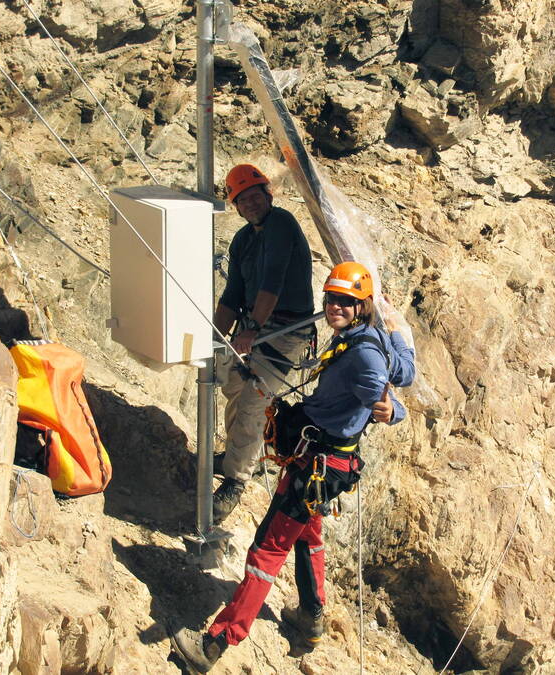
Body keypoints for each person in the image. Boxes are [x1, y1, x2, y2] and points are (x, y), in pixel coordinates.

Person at [171, 262, 416, 673]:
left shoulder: (364, 353)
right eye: (331, 298)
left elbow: (381, 390)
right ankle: (310, 616)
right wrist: (396, 334)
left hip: (316, 465)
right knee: (308, 534)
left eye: (345, 301)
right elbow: (403, 371)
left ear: (361, 306)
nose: (335, 306)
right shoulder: (367, 337)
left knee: (267, 548)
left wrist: (393, 411)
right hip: (328, 462)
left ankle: (216, 643)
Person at [212, 164, 315, 524]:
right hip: (255, 323)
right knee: (232, 386)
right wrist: (216, 336)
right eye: (243, 200)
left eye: (255, 196)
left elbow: (273, 280)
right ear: (237, 208)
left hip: (285, 329)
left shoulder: (281, 224)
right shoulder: (243, 239)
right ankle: (236, 455)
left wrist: (252, 328)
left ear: (268, 196)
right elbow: (232, 294)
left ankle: (236, 480)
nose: (251, 204)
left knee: (254, 401)